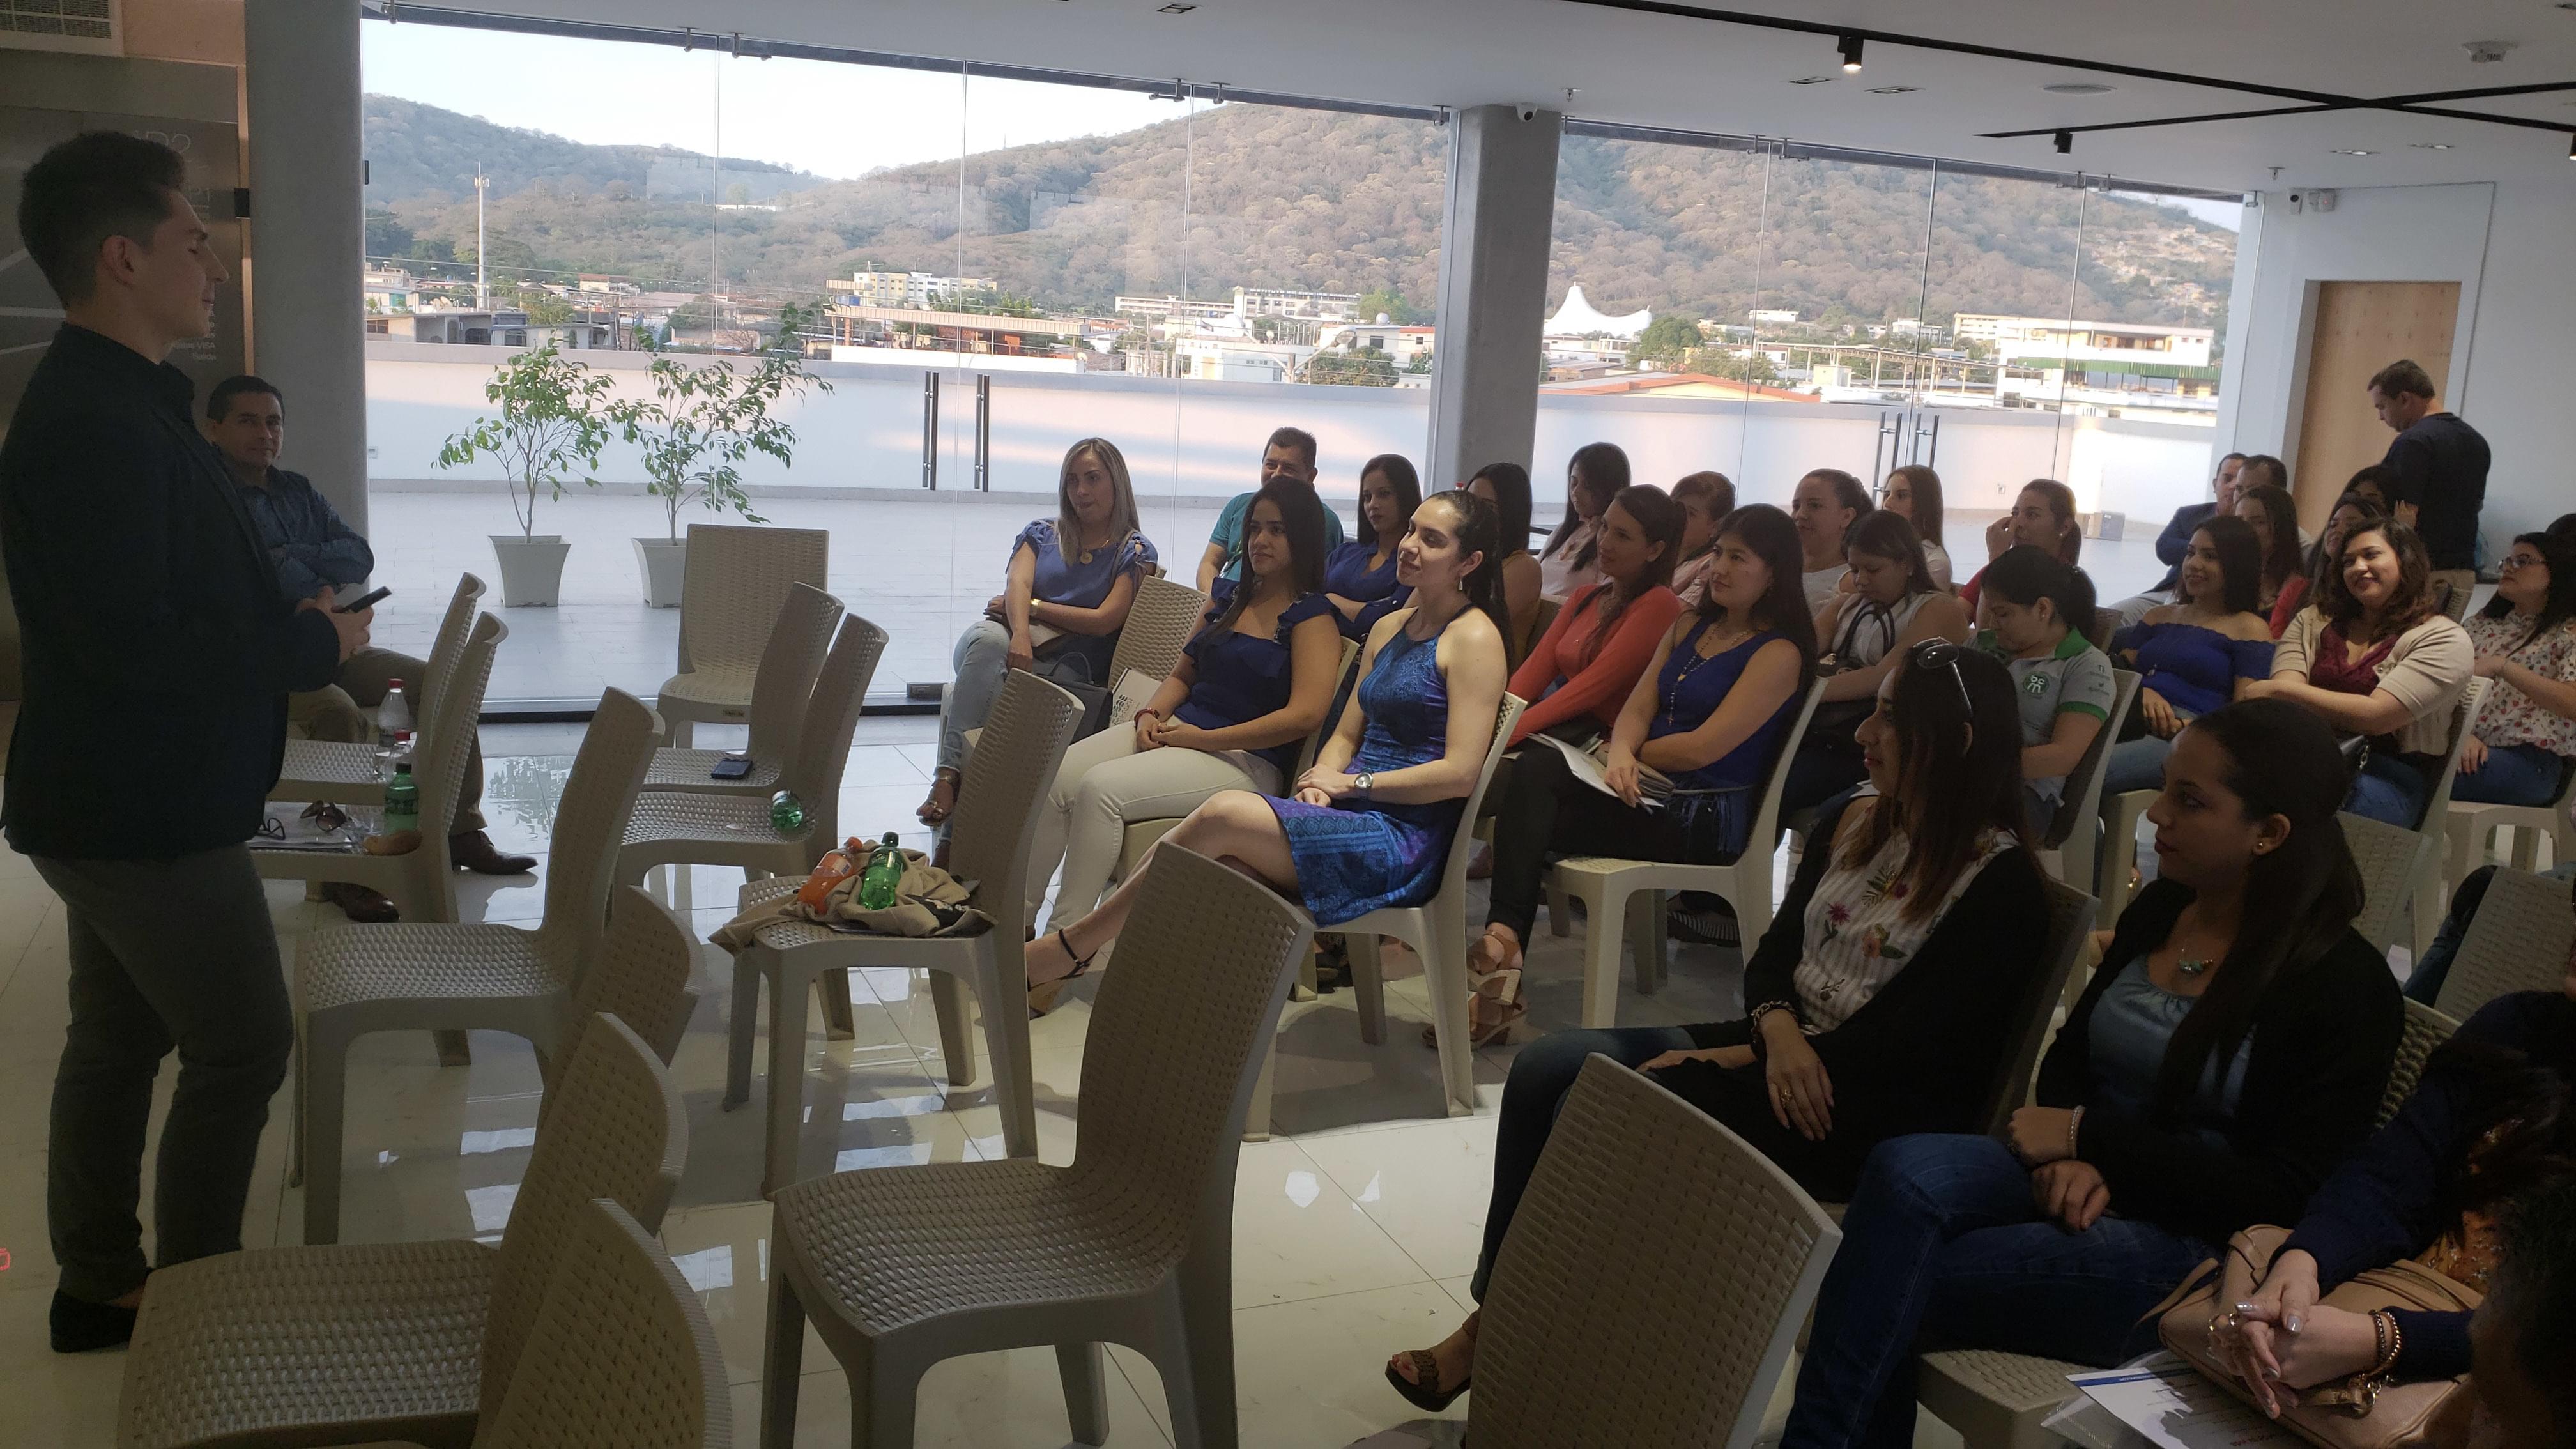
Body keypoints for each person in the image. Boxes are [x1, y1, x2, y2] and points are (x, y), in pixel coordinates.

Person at [1386, 638, 2047, 1413]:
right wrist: (1770, 1036)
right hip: (1786, 1049)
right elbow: (1771, 961)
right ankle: (1500, 1315)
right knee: (1546, 1069)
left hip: (1855, 1105)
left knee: (1606, 1107)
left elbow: (1906, 1048)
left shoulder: (2000, 884)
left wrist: (1739, 1057)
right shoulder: (1858, 820)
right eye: (1874, 711)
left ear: (1957, 742)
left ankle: (1537, 1349)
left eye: (1893, 719)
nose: (1866, 734)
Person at [1780, 700, 2405, 1449]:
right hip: (2088, 1173)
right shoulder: (2165, 908)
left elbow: (2286, 1191)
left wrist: (2091, 1141)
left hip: (2197, 1247)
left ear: (2268, 833)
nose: (2157, 815)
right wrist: (2074, 1153)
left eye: (2190, 801)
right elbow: (2071, 1057)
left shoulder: (2343, 987)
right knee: (1905, 1170)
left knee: (1892, 1272)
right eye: (2167, 788)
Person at [3, 133, 371, 1353]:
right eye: (193, 241)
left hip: (130, 793)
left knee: (119, 1036)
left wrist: (294, 620)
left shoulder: (133, 402)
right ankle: (200, 1308)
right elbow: (139, 645)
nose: (213, 266)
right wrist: (307, 645)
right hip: (142, 806)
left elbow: (173, 599)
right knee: (242, 1041)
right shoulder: (94, 425)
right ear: (123, 257)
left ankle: (101, 1283)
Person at [1023, 489, 1510, 1009]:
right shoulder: (1389, 628)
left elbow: (1460, 773)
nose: (1410, 545)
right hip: (1348, 811)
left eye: (1431, 540)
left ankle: (1072, 946)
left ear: (1469, 562)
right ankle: (1172, 1005)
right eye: (1412, 530)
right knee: (1211, 864)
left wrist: (1351, 783)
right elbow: (1346, 735)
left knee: (1223, 814)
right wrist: (1322, 782)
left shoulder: (1475, 639)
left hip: (1401, 839)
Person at [1458, 503, 1816, 1043]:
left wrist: (1630, 751)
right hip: (1639, 790)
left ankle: (1502, 962)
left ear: (1774, 573)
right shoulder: (1691, 626)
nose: (1719, 568)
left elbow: (1702, 749)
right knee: (1536, 771)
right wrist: (1623, 751)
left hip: (1700, 815)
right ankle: (1504, 950)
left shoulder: (1779, 653)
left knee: (1527, 806)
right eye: (1718, 553)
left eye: (1738, 558)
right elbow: (1637, 708)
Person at [202, 375, 535, 923]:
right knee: (338, 713)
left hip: (331, 640)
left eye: (274, 422)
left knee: (441, 686)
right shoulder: (209, 499)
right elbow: (252, 582)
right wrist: (302, 568)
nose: (265, 434)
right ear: (213, 428)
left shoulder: (296, 490)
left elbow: (358, 557)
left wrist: (283, 553)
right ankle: (343, 867)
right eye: (248, 421)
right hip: (270, 660)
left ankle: (461, 831)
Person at [2208, 959, 2574, 1424]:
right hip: (2381, 1308)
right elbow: (2394, 1176)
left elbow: (2558, 1333)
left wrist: (2384, 1339)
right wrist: (2302, 1266)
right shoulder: (2518, 1027)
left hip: (2510, 1395)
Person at [1023, 482, 1342, 935]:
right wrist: (1149, 715)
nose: (1260, 540)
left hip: (1245, 761)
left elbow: (1303, 717)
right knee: (1061, 775)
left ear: (1303, 538)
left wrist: (1204, 739)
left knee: (1099, 790)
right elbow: (1181, 676)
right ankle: (1017, 925)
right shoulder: (1227, 596)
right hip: (1181, 730)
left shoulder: (1312, 618)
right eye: (1254, 529)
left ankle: (1066, 941)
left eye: (1277, 530)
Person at [921, 438, 1156, 826]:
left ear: (1117, 482)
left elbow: (1104, 620)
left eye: (1093, 479)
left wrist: (1034, 608)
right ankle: (947, 777)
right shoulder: (1043, 533)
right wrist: (1019, 635)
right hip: (1007, 642)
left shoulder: (1134, 551)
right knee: (987, 643)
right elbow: (1017, 584)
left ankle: (953, 822)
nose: (1081, 491)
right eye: (1072, 481)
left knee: (997, 696)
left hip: (1070, 665)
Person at [2251, 518, 2472, 827]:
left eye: (2371, 555)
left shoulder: (2444, 638)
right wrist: (2285, 693)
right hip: (2303, 756)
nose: (2358, 567)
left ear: (2405, 561)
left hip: (2387, 777)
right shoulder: (2313, 620)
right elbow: (2288, 699)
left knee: (2269, 793)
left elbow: (2376, 717)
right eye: (2348, 561)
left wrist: (2279, 691)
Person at [1781, 510, 1972, 816]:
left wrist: (1800, 690)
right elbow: (1793, 655)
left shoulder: (1938, 609)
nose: (1860, 580)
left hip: (1891, 744)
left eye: (1872, 569)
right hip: (1831, 732)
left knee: (1782, 785)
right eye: (1854, 569)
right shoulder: (1847, 606)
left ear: (1908, 564)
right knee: (1756, 767)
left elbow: (1887, 676)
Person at [1499, 483, 1685, 748]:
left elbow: (1589, 690)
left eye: (1622, 536)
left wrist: (1506, 734)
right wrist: (1493, 721)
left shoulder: (1659, 604)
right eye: (1605, 527)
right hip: (1560, 730)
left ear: (1654, 550)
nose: (1605, 542)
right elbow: (1531, 675)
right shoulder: (1585, 597)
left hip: (1601, 744)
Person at [2103, 516, 2276, 796]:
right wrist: (2141, 691)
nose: (2193, 564)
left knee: (2088, 769)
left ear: (2237, 565)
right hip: (2127, 715)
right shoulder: (2158, 616)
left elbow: (2245, 715)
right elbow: (2117, 674)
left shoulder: (2250, 628)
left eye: (2210, 557)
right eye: (2191, 553)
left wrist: (2185, 727)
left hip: (2190, 735)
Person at [1975, 545, 2114, 837]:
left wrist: (1976, 765)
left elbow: (2063, 755)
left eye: (2003, 614)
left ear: (2042, 609)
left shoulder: (2085, 664)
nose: (1992, 624)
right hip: (1957, 776)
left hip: (2024, 792)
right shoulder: (1983, 645)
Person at [2453, 531, 2576, 806]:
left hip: (2530, 761)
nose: (2509, 567)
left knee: (2420, 773)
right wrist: (2461, 736)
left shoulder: (2568, 631)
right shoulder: (2480, 624)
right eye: (2507, 561)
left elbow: (2573, 702)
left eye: (2523, 561)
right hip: (2459, 744)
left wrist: (2502, 666)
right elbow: (2438, 684)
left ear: (2557, 571)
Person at [2370, 359, 2490, 600]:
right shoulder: (2477, 441)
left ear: (2405, 399)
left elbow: (2405, 516)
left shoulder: (2414, 442)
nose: (2381, 417)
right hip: (2463, 573)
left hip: (2421, 574)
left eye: (2382, 407)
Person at [1193, 427, 1346, 597]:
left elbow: (1316, 585)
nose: (1276, 474)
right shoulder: (1239, 505)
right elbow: (1209, 563)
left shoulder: (1323, 521)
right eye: (1271, 465)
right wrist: (1216, 600)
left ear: (1310, 476)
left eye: (1288, 468)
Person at [1322, 454, 1420, 638]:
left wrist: (1329, 600)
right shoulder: (1344, 553)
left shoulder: (1415, 563)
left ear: (1405, 496)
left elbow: (1390, 619)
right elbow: (1306, 600)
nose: (1373, 504)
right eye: (1367, 497)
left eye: (1384, 494)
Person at [1961, 478, 2081, 620]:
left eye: (2032, 515)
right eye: (2015, 514)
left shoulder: (2067, 585)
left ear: (2065, 527)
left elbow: (1991, 630)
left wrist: (1997, 559)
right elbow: (1953, 620)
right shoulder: (2002, 569)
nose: (2018, 524)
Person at [1464, 461, 1546, 662]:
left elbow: (1469, 628)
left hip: (1483, 669)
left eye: (1487, 507)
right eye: (1470, 503)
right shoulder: (1464, 557)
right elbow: (1411, 613)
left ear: (1510, 513)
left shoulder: (1524, 567)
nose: (1474, 514)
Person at [1537, 442, 1625, 601]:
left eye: (1588, 486)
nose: (1576, 492)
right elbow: (1534, 577)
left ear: (1609, 490)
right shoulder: (1563, 531)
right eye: (1573, 482)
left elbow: (1599, 601)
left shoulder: (1610, 544)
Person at [1790, 468, 1873, 611]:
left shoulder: (1852, 583)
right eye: (1796, 506)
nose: (1800, 515)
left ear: (1846, 516)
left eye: (1815, 506)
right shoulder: (1780, 566)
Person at [2234, 481, 2310, 634]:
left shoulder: (2298, 590)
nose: (2246, 529)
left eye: (2258, 522)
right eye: (2240, 521)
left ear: (2281, 527)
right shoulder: (2227, 577)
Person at [1879, 463, 1953, 590]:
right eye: (1887, 495)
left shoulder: (1934, 562)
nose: (1887, 503)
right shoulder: (1877, 548)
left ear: (1924, 504)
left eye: (1901, 496)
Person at [1667, 469, 1734, 608]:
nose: (1678, 517)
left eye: (1691, 514)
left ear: (1716, 527)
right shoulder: (1660, 549)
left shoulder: (1708, 566)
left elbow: (1676, 613)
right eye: (1676, 507)